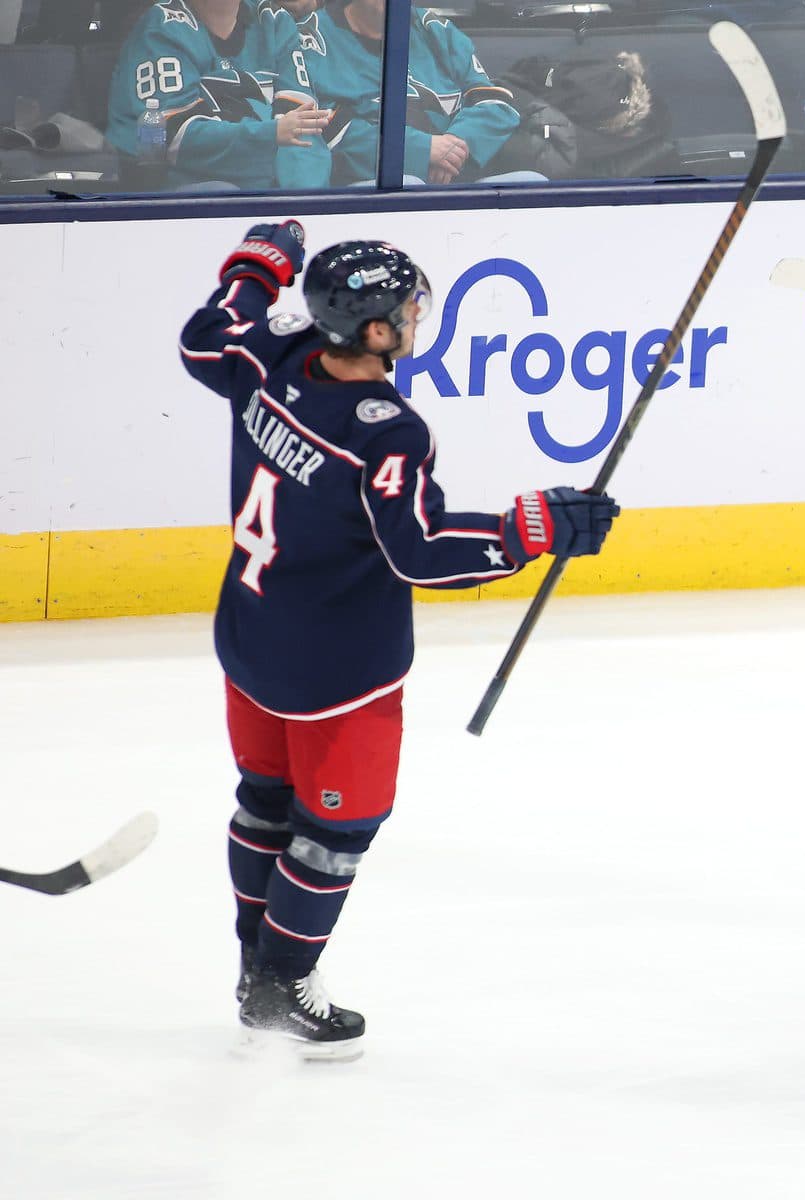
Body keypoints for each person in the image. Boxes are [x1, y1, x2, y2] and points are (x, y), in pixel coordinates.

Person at [179, 221, 620, 1058]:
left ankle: (254, 967)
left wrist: (255, 267)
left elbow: (206, 340)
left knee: (265, 802)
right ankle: (279, 982)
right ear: (375, 330)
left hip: (249, 632)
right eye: (409, 309)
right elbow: (416, 550)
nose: (419, 318)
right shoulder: (387, 428)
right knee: (338, 829)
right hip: (338, 672)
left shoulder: (273, 364)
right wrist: (531, 528)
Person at [291, 0, 532, 185]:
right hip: (372, 187)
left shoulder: (434, 28)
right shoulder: (309, 39)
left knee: (529, 183)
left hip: (459, 173)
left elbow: (495, 102)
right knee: (409, 185)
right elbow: (321, 127)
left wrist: (453, 148)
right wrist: (421, 150)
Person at [107, 0, 332, 190]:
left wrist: (300, 205)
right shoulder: (161, 27)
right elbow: (172, 139)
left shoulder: (273, 20)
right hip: (191, 200)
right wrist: (270, 134)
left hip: (276, 197)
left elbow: (303, 132)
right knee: (222, 192)